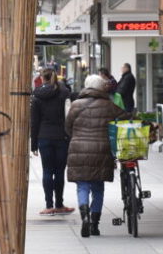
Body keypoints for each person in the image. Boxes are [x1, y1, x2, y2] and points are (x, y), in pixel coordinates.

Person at [65, 74, 125, 237]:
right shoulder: (109, 105)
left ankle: (84, 216)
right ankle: (94, 224)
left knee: (82, 185)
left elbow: (68, 127)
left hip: (79, 148)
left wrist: (77, 136)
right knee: (98, 187)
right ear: (101, 88)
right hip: (102, 149)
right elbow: (127, 117)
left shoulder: (76, 104)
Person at [31, 69, 74, 215]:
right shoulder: (64, 93)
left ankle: (49, 205)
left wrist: (33, 144)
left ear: (42, 79)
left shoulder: (37, 96)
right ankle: (59, 203)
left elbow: (34, 122)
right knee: (60, 171)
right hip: (61, 137)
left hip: (44, 137)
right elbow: (69, 116)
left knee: (47, 170)